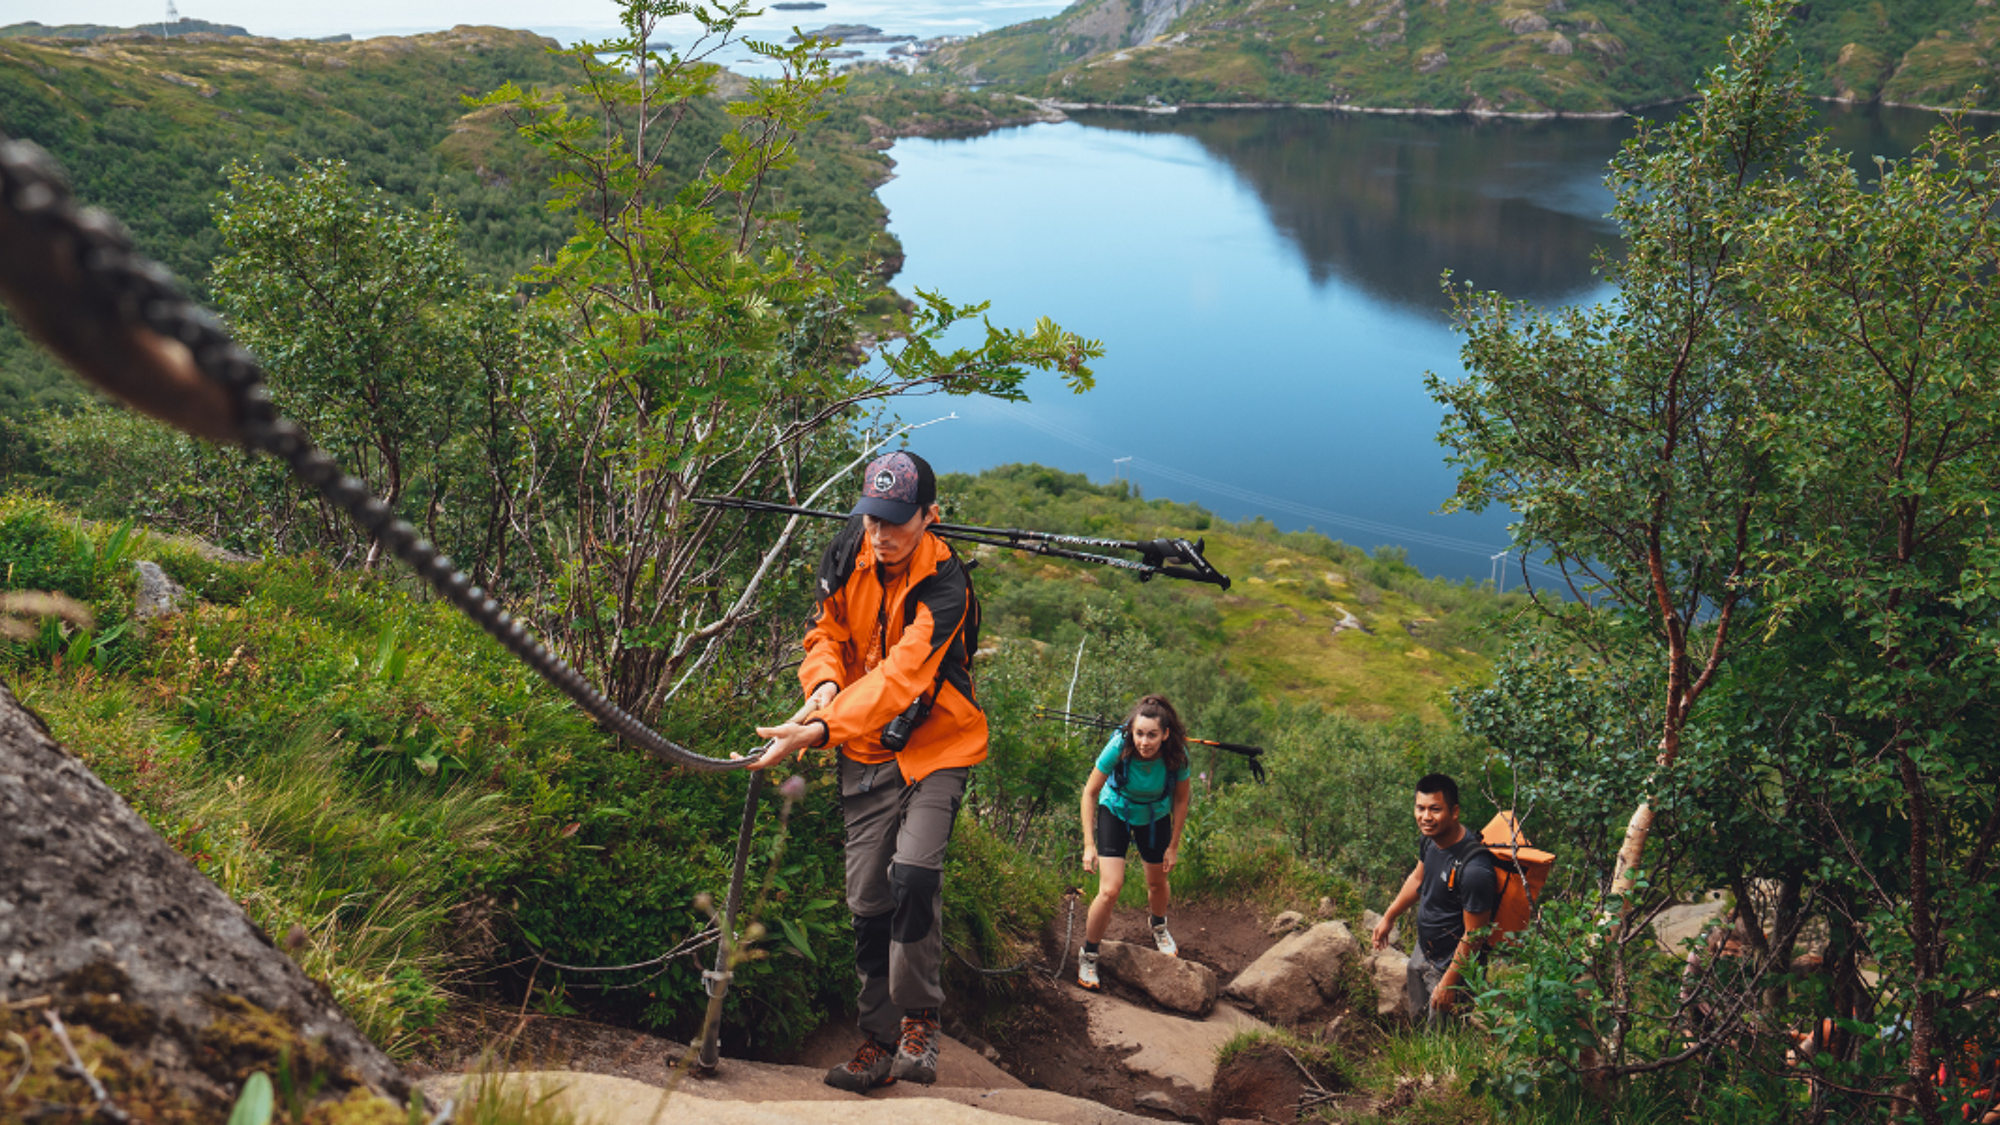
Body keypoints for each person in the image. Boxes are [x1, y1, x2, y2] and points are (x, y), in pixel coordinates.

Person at [751, 450, 984, 1093]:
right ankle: (878, 1042)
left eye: (896, 522)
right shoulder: (846, 553)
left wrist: (821, 729)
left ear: (929, 516)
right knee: (867, 904)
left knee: (913, 874)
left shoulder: (946, 584)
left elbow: (902, 678)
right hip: (864, 750)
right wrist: (824, 685)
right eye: (873, 518)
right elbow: (823, 634)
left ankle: (919, 1020)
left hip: (938, 745)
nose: (881, 534)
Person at [1075, 694, 1193, 991]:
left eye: (1152, 735)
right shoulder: (1119, 746)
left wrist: (1174, 845)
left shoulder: (1176, 755)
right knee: (1109, 889)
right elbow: (1090, 792)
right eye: (1139, 733)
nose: (1144, 742)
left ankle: (1158, 925)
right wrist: (1089, 844)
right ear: (1131, 731)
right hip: (1116, 810)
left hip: (1155, 816)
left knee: (1157, 882)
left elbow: (1181, 799)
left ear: (1165, 734)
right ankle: (1089, 954)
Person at [1370, 773, 1496, 1021]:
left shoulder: (1475, 870)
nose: (1425, 817)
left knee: (1443, 1036)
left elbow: (1475, 935)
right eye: (1420, 808)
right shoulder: (1430, 840)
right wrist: (1389, 917)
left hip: (1452, 968)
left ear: (1454, 811)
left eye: (1435, 809)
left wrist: (1450, 983)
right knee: (1418, 1022)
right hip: (1424, 952)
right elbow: (1417, 879)